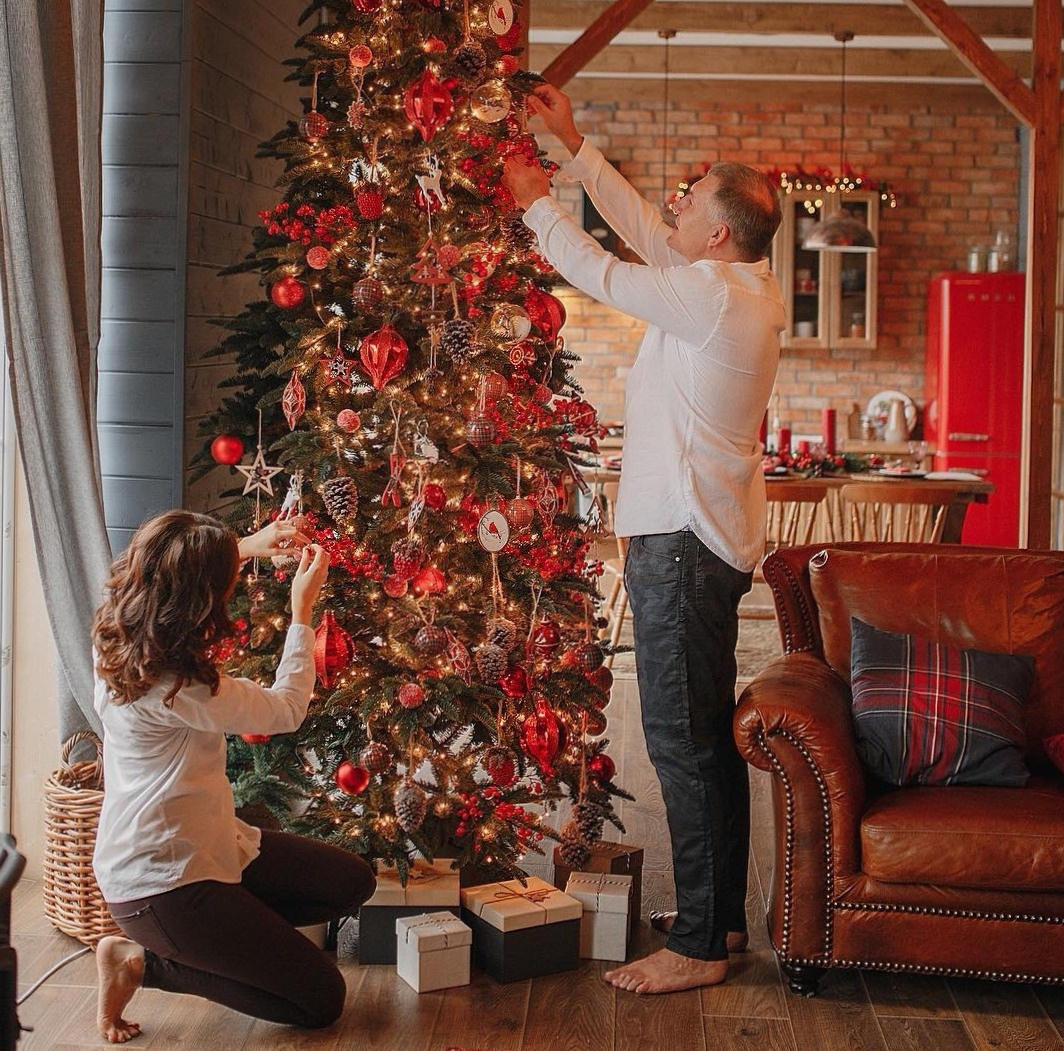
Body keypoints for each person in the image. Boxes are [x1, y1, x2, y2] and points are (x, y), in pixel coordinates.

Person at [503, 85, 785, 996]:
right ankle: (721, 923)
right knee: (700, 737)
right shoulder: (737, 285)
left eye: (694, 198)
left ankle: (701, 945)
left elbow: (607, 272)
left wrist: (533, 201)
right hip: (697, 541)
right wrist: (574, 147)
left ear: (719, 232)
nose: (678, 203)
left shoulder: (710, 297)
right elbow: (645, 237)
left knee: (680, 742)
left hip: (681, 545)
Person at [91, 511, 375, 1043]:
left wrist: (248, 545)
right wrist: (302, 611)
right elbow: (287, 709)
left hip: (212, 843)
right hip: (162, 884)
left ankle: (229, 933)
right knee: (320, 1001)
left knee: (350, 882)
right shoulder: (182, 688)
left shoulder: (117, 630)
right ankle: (139, 963)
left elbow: (169, 567)